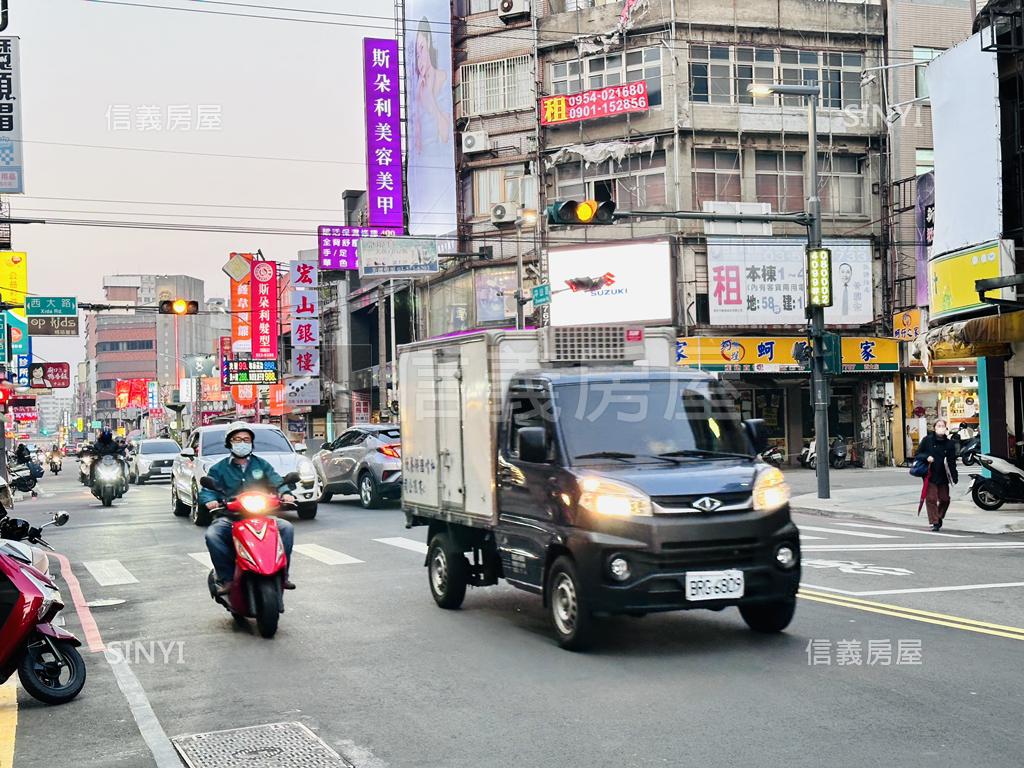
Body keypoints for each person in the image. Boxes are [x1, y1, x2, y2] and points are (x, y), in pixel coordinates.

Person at [198, 423, 297, 595]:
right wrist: (210, 501)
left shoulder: (262, 464)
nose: (242, 443)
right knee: (213, 535)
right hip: (230, 516)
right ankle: (226, 578)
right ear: (229, 443)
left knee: (286, 528)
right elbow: (208, 490)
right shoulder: (219, 468)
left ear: (252, 443)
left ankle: (283, 574)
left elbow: (277, 482)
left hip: (261, 515)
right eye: (237, 440)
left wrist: (286, 494)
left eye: (246, 440)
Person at [916, 419, 959, 531]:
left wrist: (954, 476)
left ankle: (939, 516)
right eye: (938, 425)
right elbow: (918, 454)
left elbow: (952, 461)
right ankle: (934, 522)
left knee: (945, 499)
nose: (940, 427)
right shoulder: (927, 440)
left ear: (946, 428)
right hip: (930, 473)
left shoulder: (950, 444)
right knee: (931, 498)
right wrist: (927, 457)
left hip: (944, 475)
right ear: (934, 427)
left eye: (943, 425)